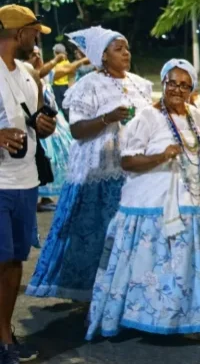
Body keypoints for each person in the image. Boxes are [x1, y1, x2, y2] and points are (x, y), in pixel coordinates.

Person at [85, 59, 200, 343]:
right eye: (172, 83)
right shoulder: (147, 117)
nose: (177, 89)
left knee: (199, 266)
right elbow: (127, 161)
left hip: (198, 203)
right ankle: (151, 318)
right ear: (163, 83)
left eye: (185, 85)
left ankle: (193, 322)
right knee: (161, 268)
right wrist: (161, 156)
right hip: (156, 207)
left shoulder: (194, 115)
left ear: (191, 90)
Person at [26, 26, 153, 303]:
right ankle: (89, 294)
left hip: (134, 172)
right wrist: (108, 117)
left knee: (131, 236)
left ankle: (126, 294)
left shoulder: (141, 85)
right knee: (95, 235)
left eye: (127, 48)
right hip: (99, 172)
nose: (126, 53)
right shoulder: (88, 86)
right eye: (119, 49)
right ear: (103, 56)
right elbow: (77, 130)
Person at [0, 4, 57, 364]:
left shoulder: (26, 74)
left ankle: (4, 330)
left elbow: (35, 122)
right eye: (34, 31)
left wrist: (43, 127)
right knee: (1, 258)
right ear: (18, 33)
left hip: (26, 181)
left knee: (15, 260)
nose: (37, 38)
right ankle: (4, 339)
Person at [27, 47, 74, 210]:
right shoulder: (27, 74)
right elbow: (38, 73)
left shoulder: (44, 74)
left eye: (39, 54)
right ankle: (40, 196)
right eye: (33, 54)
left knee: (59, 157)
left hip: (54, 121)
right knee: (46, 157)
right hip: (38, 123)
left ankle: (46, 198)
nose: (37, 57)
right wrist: (56, 60)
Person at [49, 44, 89, 121]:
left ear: (56, 53)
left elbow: (72, 76)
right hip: (62, 87)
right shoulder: (68, 63)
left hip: (62, 88)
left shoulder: (63, 64)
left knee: (63, 108)